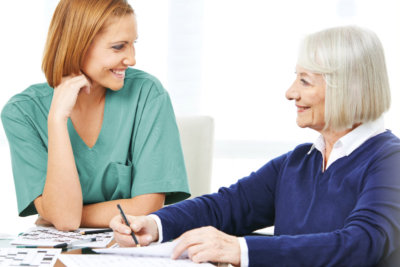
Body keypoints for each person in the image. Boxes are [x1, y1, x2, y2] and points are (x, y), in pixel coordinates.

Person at [110, 25, 400, 267]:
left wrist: (241, 250)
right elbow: (226, 206)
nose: (290, 92)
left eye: (305, 81)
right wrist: (155, 224)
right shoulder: (299, 162)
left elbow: (362, 245)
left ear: (346, 87)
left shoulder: (390, 161)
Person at [1, 0, 190, 231]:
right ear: (77, 45)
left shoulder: (148, 94)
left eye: (133, 44)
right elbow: (66, 221)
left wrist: (62, 214)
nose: (132, 59)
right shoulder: (21, 113)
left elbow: (148, 207)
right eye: (119, 47)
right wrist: (57, 120)